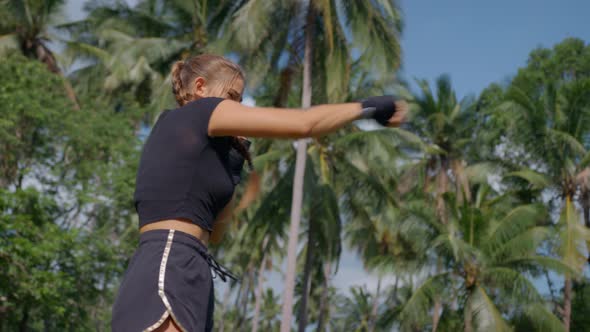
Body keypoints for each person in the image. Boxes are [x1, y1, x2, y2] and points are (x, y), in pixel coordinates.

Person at [111, 54, 408, 332]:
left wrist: (231, 168)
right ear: (200, 88)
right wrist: (367, 107)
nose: (237, 106)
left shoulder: (187, 138)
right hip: (170, 260)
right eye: (232, 97)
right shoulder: (200, 112)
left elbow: (215, 234)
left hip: (191, 263)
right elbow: (303, 124)